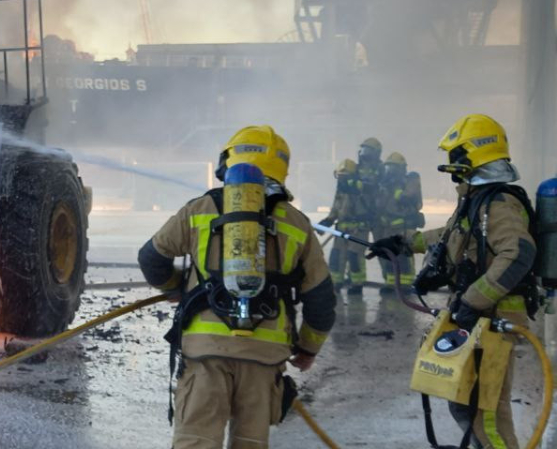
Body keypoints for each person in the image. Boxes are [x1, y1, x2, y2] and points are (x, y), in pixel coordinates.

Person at [138, 125, 336, 448]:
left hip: (205, 352)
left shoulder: (200, 209)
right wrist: (307, 350)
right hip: (265, 357)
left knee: (196, 442)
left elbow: (151, 258)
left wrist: (175, 288)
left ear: (227, 162)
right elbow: (321, 300)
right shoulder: (297, 223)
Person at [369, 114, 537, 449]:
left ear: (473, 154)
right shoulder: (478, 200)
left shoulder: (498, 203)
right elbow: (450, 237)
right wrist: (402, 242)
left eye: (457, 155)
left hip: (494, 319)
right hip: (481, 318)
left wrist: (473, 300)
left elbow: (519, 253)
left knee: (485, 414)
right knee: (465, 404)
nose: (452, 164)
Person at [372, 151, 423, 292]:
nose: (390, 171)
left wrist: (396, 190)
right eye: (388, 167)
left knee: (403, 256)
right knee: (388, 255)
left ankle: (406, 284)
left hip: (403, 226)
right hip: (387, 227)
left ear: (401, 168)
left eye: (393, 168)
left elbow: (409, 197)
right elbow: (379, 204)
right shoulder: (385, 184)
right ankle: (391, 283)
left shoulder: (409, 181)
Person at [322, 158, 372, 294]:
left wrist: (353, 188)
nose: (341, 179)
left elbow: (363, 193)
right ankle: (336, 282)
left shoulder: (362, 187)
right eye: (340, 176)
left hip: (358, 228)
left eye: (344, 177)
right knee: (336, 256)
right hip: (342, 228)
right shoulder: (341, 189)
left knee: (354, 256)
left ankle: (357, 284)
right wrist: (328, 220)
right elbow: (336, 207)